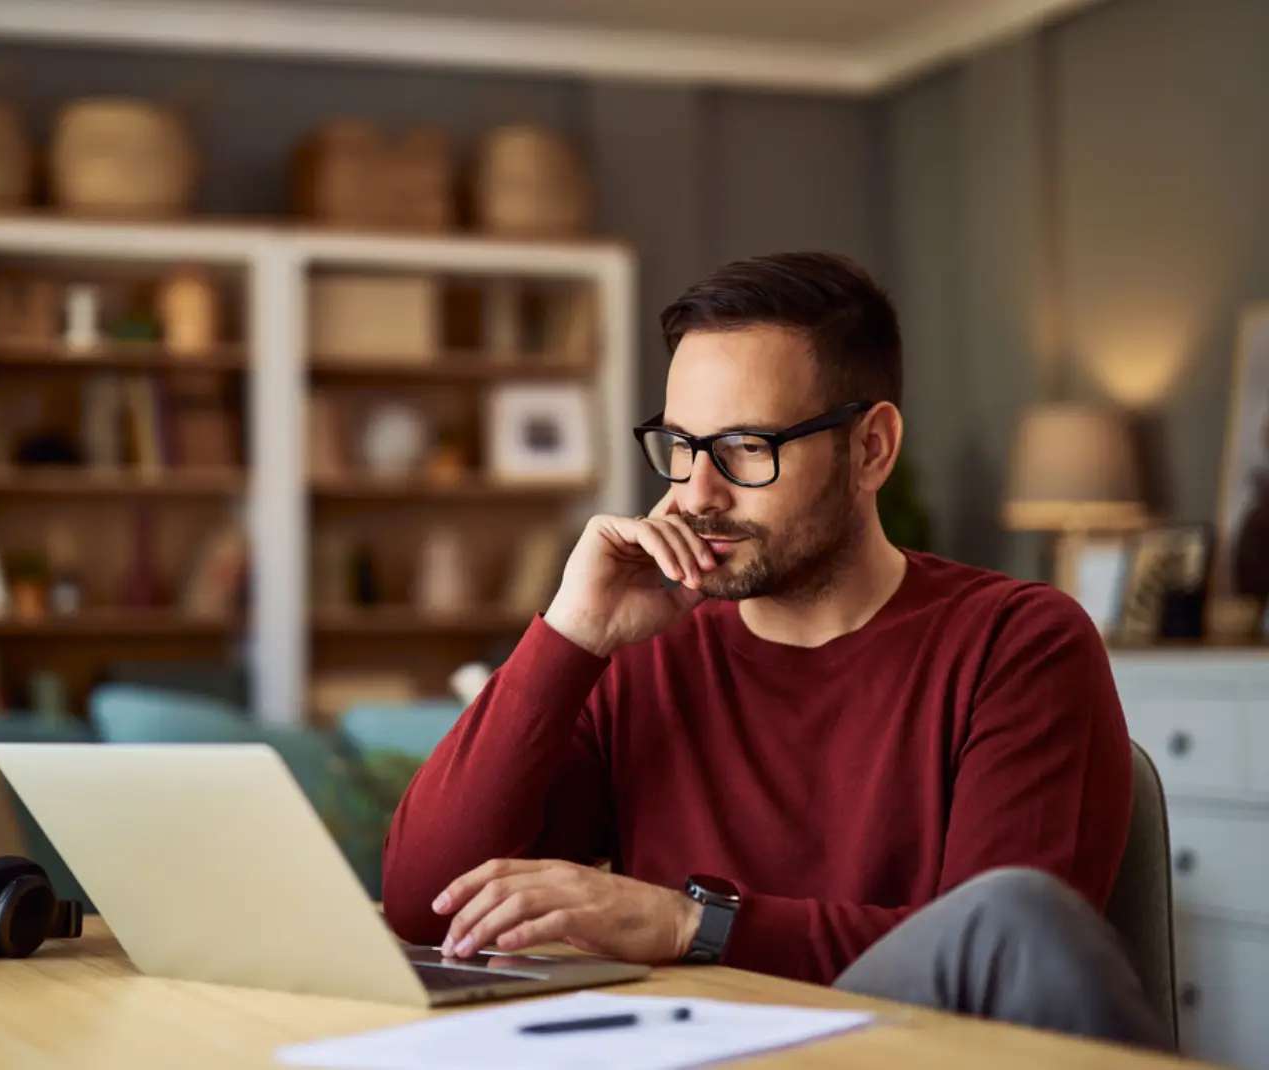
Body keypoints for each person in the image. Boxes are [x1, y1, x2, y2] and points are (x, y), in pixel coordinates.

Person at [380, 252, 1170, 1051]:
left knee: (1016, 915)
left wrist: (694, 923)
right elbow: (423, 905)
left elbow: (1002, 961)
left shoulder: (1019, 644)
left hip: (904, 1054)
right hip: (694, 1056)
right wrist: (568, 634)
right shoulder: (645, 655)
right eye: (681, 445)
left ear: (871, 449)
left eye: (746, 448)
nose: (696, 494)